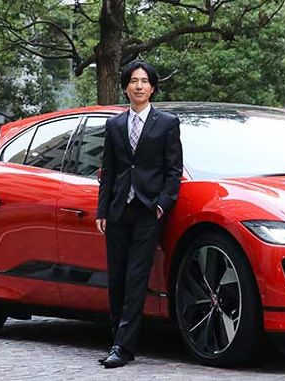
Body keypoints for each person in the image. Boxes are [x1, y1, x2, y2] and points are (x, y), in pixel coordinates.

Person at [95, 61, 183, 368]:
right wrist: (102, 209)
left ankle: (124, 347)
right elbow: (109, 171)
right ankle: (116, 340)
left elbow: (174, 171)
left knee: (136, 279)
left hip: (148, 211)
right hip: (118, 210)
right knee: (117, 279)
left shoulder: (167, 123)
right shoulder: (115, 125)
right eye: (133, 81)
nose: (139, 86)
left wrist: (161, 204)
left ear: (153, 87)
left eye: (145, 81)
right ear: (126, 87)